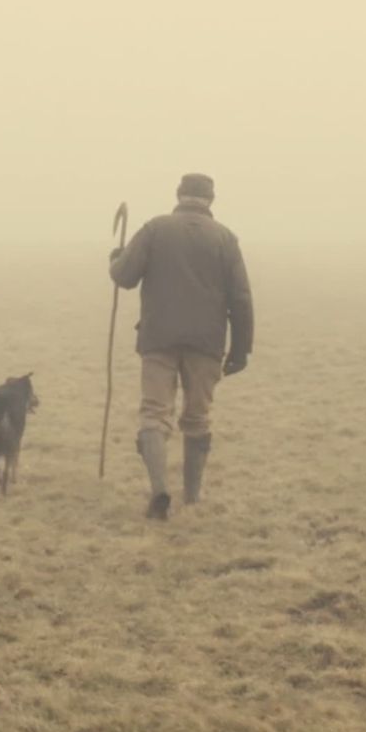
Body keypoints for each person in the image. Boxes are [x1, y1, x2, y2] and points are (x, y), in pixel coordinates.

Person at [108, 173, 254, 519]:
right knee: (197, 418)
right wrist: (240, 350)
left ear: (178, 195)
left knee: (154, 414)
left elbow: (124, 277)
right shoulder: (225, 239)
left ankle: (159, 490)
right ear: (211, 200)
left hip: (159, 338)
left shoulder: (154, 229)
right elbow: (241, 298)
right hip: (207, 343)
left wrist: (117, 257)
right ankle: (191, 498)